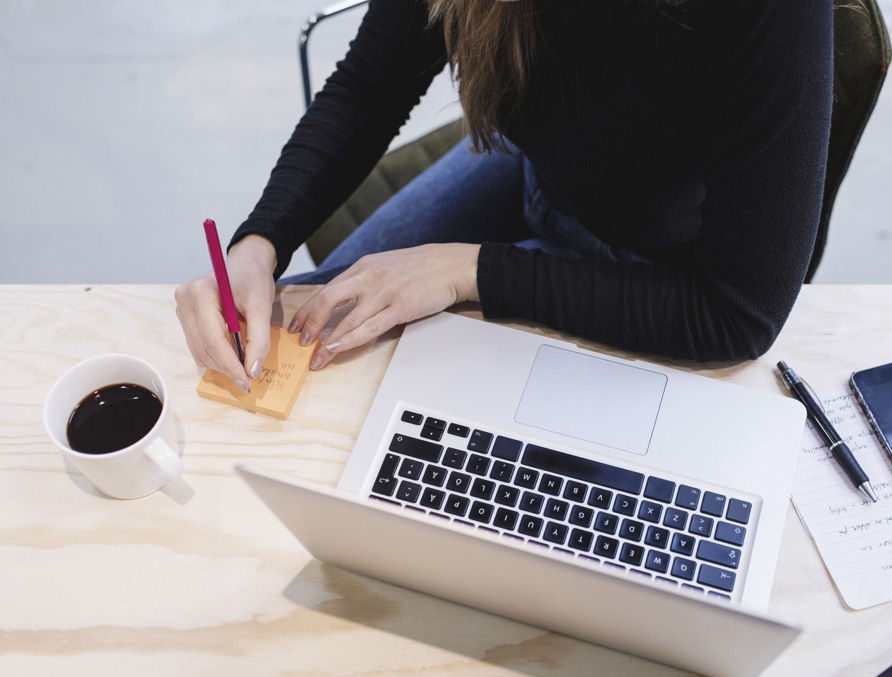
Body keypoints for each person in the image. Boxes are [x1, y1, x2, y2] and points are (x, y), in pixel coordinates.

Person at [175, 0, 833, 392]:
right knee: (307, 330)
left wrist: (471, 270)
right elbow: (370, 88)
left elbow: (736, 315)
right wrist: (259, 244)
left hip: (662, 267)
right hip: (534, 171)